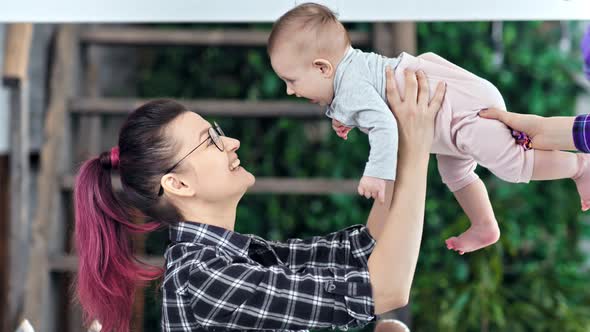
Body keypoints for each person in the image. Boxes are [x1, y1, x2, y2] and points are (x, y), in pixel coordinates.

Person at [72, 68, 445, 331]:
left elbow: (363, 251)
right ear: (178, 184)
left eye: (218, 133)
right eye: (211, 141)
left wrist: (391, 141)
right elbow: (386, 289)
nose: (231, 142)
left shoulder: (240, 256)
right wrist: (416, 146)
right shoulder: (202, 279)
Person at [267, 2, 590, 255]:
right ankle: (484, 225)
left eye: (291, 80)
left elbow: (383, 125)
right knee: (456, 173)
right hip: (448, 121)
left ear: (322, 67)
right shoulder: (350, 74)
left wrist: (377, 173)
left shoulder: (350, 85)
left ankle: (578, 166)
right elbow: (368, 102)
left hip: (459, 112)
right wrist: (346, 118)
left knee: (512, 165)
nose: (289, 91)